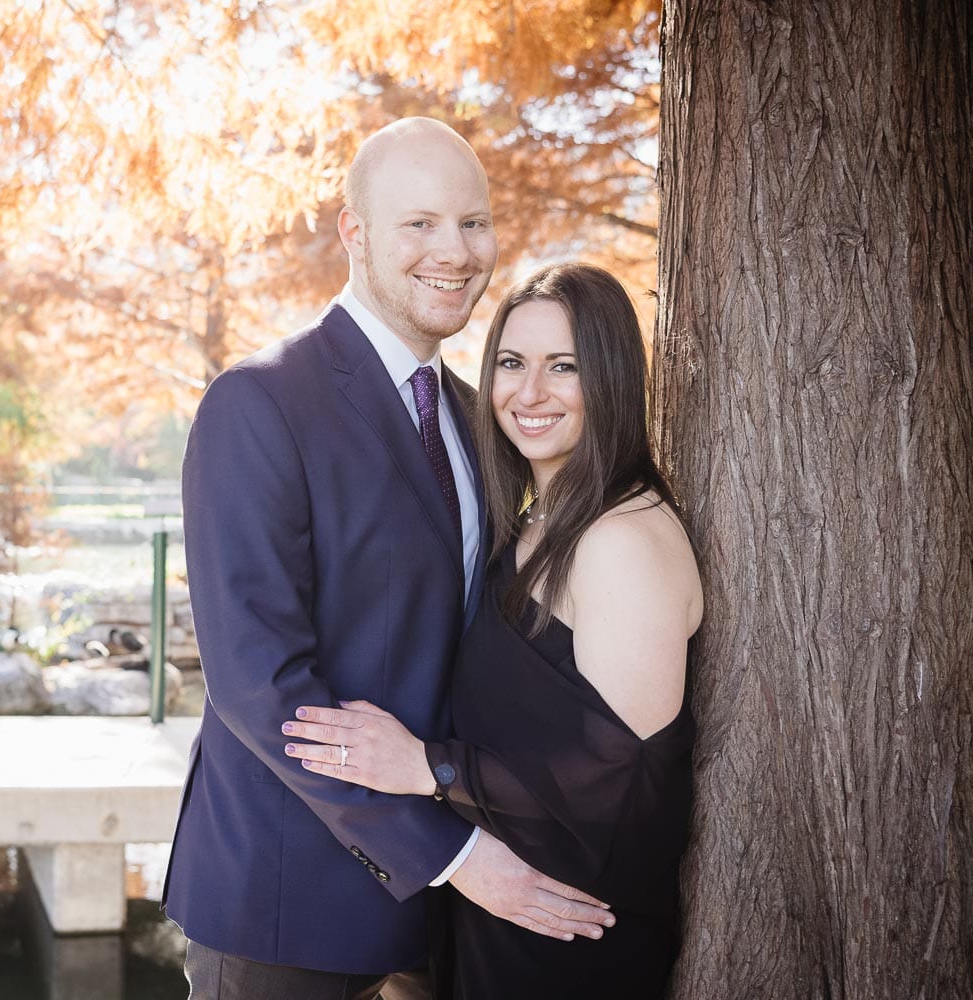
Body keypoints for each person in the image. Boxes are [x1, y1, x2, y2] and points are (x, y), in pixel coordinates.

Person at [163, 120, 614, 1000]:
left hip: (442, 917)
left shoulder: (477, 415)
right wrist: (455, 855)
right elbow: (259, 683)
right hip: (284, 905)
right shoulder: (258, 403)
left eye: (474, 223)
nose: (455, 250)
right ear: (355, 233)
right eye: (420, 224)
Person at [282, 262, 702, 998]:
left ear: (609, 378)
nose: (528, 393)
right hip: (497, 905)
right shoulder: (537, 518)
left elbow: (621, 781)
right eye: (511, 363)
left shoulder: (622, 538)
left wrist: (427, 767)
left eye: (562, 367)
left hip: (571, 935)